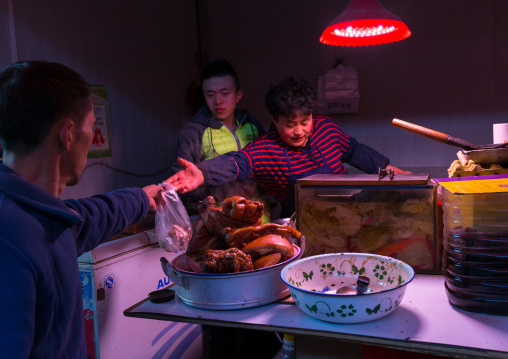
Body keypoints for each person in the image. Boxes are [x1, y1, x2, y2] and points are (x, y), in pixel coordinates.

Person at [0, 60, 162, 358]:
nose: (92, 136)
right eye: (92, 126)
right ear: (69, 134)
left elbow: (87, 218)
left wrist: (142, 198)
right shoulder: (10, 241)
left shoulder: (42, 215)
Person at [166, 77, 412, 218]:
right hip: (306, 226)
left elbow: (355, 151)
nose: (299, 131)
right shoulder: (266, 150)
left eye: (305, 122)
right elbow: (237, 162)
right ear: (274, 120)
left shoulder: (326, 128)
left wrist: (386, 168)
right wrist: (202, 173)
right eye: (290, 124)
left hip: (350, 214)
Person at [170, 58, 272, 221]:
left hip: (260, 219)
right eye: (210, 95)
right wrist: (224, 190)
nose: (218, 101)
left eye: (225, 93)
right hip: (221, 223)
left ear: (238, 95)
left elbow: (270, 165)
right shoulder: (193, 131)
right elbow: (183, 185)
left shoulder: (252, 125)